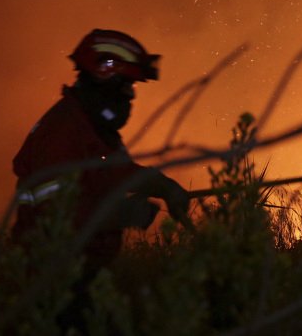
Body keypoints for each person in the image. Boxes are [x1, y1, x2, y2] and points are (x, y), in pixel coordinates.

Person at [10, 28, 191, 333]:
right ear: (104, 76)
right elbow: (56, 215)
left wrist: (162, 185)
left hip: (82, 277)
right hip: (51, 283)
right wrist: (122, 213)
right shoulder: (62, 131)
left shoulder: (90, 129)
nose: (130, 98)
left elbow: (116, 172)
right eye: (126, 87)